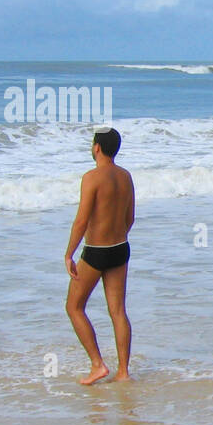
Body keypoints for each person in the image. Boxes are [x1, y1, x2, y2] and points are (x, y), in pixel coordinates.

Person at [65, 127, 135, 384]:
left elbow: (81, 220)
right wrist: (115, 238)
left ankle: (97, 364)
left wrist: (69, 254)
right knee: (118, 311)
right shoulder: (126, 177)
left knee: (74, 307)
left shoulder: (91, 177)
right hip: (121, 248)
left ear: (97, 147)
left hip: (95, 252)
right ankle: (124, 373)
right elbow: (130, 218)